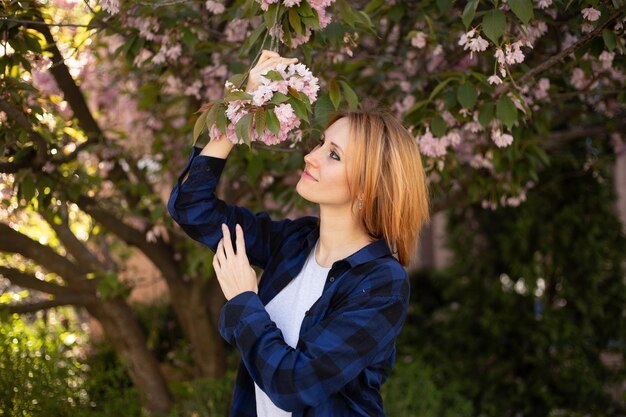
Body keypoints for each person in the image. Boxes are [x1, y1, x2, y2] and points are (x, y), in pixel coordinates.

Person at [167, 50, 430, 417]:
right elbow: (191, 207)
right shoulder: (293, 243)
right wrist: (241, 107)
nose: (311, 156)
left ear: (367, 189)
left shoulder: (381, 283)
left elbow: (295, 384)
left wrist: (244, 298)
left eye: (334, 155)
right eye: (321, 143)